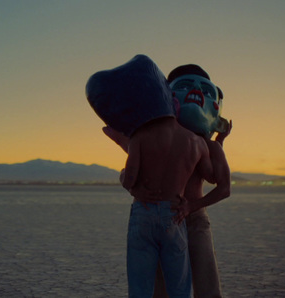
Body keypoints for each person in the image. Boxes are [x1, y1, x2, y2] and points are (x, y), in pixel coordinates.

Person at [86, 55, 217, 298]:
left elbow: (133, 176)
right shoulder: (196, 143)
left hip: (170, 211)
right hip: (177, 213)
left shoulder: (148, 137)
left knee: (158, 285)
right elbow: (212, 176)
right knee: (171, 287)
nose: (196, 93)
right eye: (185, 87)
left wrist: (128, 165)